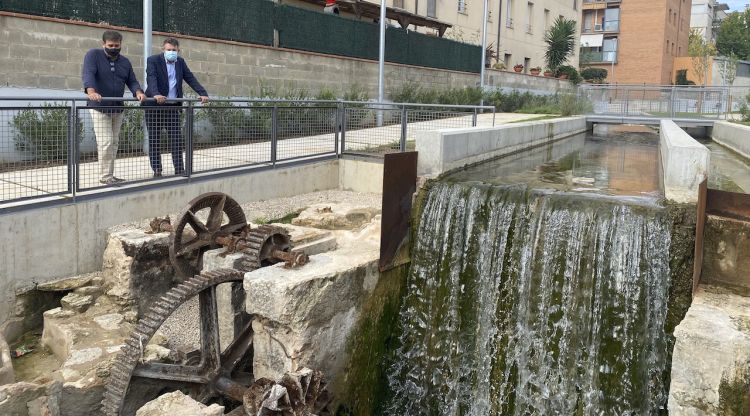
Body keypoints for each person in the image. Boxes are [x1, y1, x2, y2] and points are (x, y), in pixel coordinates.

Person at [82, 30, 145, 185]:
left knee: (114, 142)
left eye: (117, 45)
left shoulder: (125, 62)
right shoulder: (93, 55)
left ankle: (110, 174)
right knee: (106, 141)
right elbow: (88, 73)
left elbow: (132, 81)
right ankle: (105, 177)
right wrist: (91, 91)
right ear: (103, 44)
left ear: (121, 45)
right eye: (110, 45)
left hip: (117, 108)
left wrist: (138, 92)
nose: (114, 48)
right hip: (99, 107)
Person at [144, 37, 209, 177]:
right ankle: (157, 169)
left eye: (174, 50)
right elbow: (151, 77)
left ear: (178, 50)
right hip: (154, 106)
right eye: (168, 50)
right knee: (154, 139)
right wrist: (155, 94)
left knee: (176, 139)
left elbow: (190, 78)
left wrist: (202, 93)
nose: (171, 52)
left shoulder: (180, 62)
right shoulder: (153, 60)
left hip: (172, 107)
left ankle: (179, 169)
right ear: (163, 50)